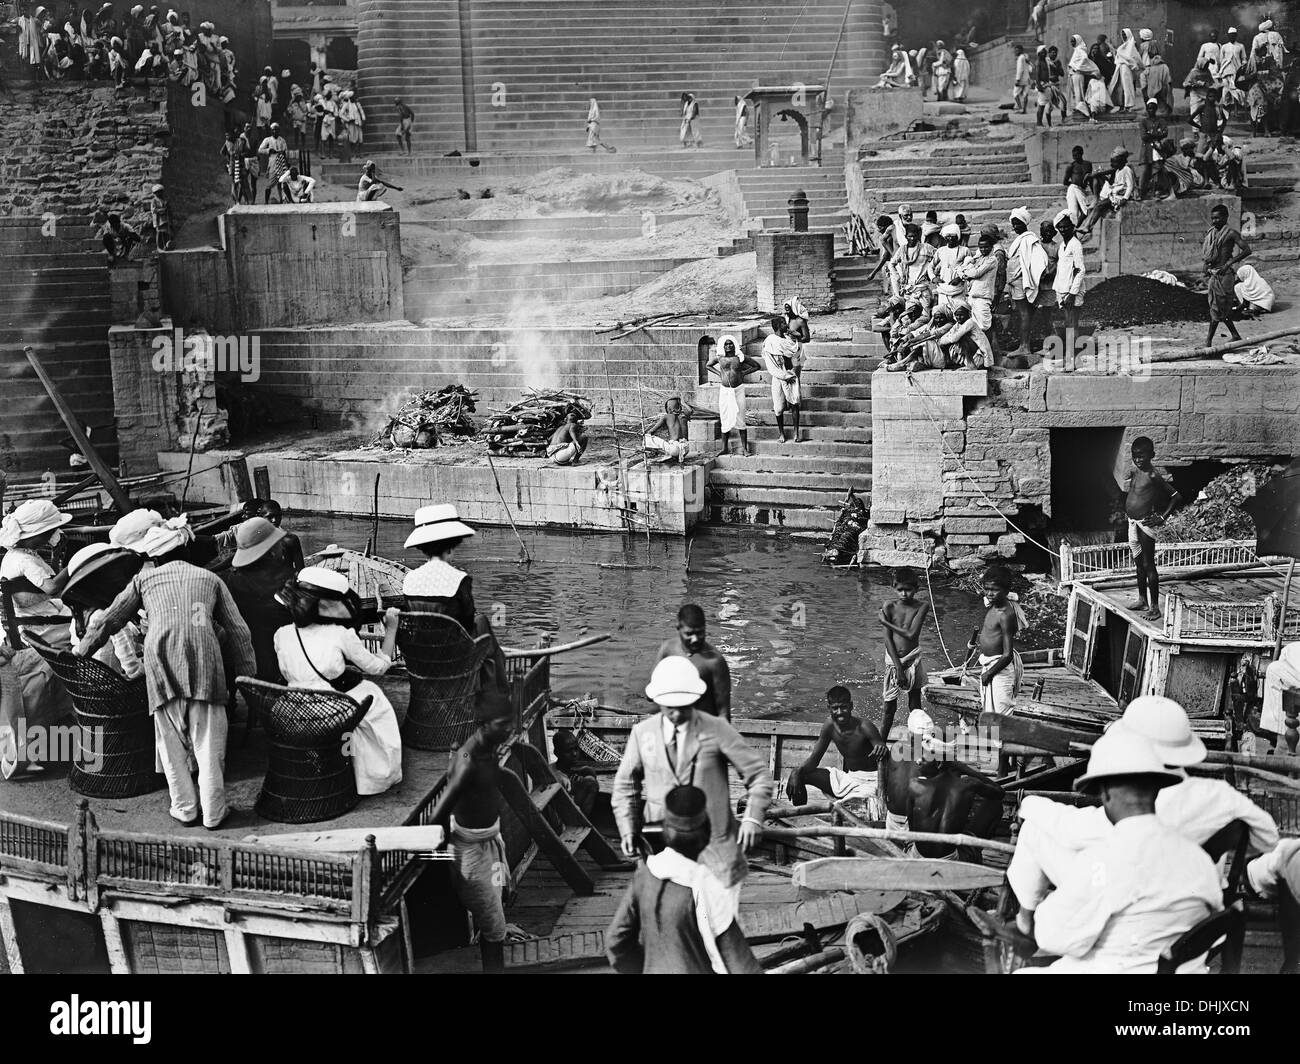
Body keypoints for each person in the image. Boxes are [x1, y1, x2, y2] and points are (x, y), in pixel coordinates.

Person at [1008, 696, 1278, 932]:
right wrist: (1213, 848)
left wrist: (1031, 804)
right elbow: (1267, 836)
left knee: (1036, 830)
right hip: (1198, 905)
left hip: (1130, 901)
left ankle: (1025, 922)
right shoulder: (1219, 794)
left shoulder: (1137, 806)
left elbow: (1071, 831)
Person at [74, 517, 255, 830]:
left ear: (152, 557)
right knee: (209, 744)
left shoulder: (143, 581)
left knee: (169, 744)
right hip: (205, 666)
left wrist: (80, 652)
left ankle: (184, 808)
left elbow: (108, 622)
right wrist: (247, 680)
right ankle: (214, 813)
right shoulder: (210, 579)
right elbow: (239, 632)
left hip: (160, 664)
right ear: (185, 548)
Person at [1022, 724, 1224, 973]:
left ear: (1104, 794)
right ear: (1155, 791)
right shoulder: (1199, 859)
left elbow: (1051, 937)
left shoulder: (1101, 860)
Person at [612, 656, 772, 892]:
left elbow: (759, 775)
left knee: (714, 921)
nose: (676, 713)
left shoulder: (717, 729)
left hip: (713, 850)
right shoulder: (642, 734)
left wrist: (752, 818)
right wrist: (628, 829)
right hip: (660, 848)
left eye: (683, 706)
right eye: (669, 707)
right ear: (656, 701)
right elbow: (625, 787)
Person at [273, 567, 403, 796]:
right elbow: (379, 668)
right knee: (374, 695)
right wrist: (391, 629)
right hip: (330, 708)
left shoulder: (282, 633)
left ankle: (338, 758)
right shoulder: (340, 634)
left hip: (294, 706)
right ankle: (375, 775)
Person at [606, 784, 761, 974]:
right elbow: (741, 966)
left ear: (665, 833)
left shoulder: (645, 875)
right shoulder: (708, 888)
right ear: (706, 835)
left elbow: (615, 941)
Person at [428, 689, 516, 972]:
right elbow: (440, 809)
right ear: (485, 723)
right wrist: (436, 855)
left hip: (492, 843)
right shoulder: (467, 760)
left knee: (499, 894)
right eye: (503, 724)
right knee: (494, 926)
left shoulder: (489, 748)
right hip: (471, 852)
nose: (510, 729)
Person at [401, 504, 509, 697]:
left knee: (481, 623)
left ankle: (498, 683)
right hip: (454, 657)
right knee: (482, 622)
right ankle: (500, 688)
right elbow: (467, 624)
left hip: (423, 656)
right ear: (451, 546)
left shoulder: (409, 579)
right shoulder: (458, 579)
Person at [0, 500, 74, 777]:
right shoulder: (27, 560)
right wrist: (77, 563)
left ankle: (62, 737)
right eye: (50, 530)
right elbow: (53, 587)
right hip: (45, 631)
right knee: (97, 630)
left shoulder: (14, 556)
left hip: (29, 624)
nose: (53, 535)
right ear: (36, 534)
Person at [785, 686, 887, 816]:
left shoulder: (865, 726)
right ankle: (800, 816)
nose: (839, 712)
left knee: (844, 808)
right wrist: (796, 771)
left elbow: (883, 751)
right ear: (829, 708)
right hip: (849, 778)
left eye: (843, 707)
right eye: (835, 708)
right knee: (801, 775)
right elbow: (814, 760)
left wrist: (881, 748)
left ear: (851, 706)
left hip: (871, 781)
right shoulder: (829, 726)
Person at [220, 516, 293, 685]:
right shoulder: (288, 581)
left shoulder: (229, 581)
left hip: (245, 665)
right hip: (283, 665)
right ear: (272, 549)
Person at [60, 544, 144, 681]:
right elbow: (132, 669)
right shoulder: (110, 619)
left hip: (88, 682)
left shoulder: (81, 613)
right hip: (115, 689)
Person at [1121, 436, 1180, 620]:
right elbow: (1136, 494)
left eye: (1142, 456)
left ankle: (1155, 607)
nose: (1138, 460)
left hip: (1145, 524)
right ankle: (1142, 599)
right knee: (1138, 564)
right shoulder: (1135, 471)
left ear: (1151, 455)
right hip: (1132, 522)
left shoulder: (1153, 475)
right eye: (1135, 456)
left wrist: (1162, 517)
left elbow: (1177, 496)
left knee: (1148, 565)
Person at [654, 604, 731, 721]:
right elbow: (653, 690)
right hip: (673, 723)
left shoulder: (714, 662)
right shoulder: (667, 649)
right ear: (678, 628)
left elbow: (723, 713)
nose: (695, 639)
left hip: (703, 729)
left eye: (700, 633)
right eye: (689, 634)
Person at [878, 567, 930, 741]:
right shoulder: (889, 606)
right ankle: (880, 744)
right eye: (900, 589)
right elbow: (888, 640)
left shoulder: (922, 606)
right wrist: (898, 668)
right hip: (893, 661)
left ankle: (920, 744)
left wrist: (885, 622)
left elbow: (911, 635)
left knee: (915, 705)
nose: (904, 593)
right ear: (894, 587)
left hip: (913, 660)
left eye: (908, 589)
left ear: (916, 589)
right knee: (889, 707)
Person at [1203, 202, 1252, 346]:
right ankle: (1235, 335)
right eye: (1213, 218)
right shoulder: (1211, 233)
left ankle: (1208, 342)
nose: (1214, 221)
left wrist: (1229, 263)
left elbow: (1247, 250)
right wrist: (1204, 271)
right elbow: (1207, 256)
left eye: (1218, 218)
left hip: (1225, 276)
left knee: (1217, 309)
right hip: (1214, 274)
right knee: (1220, 308)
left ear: (1225, 217)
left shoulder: (1231, 233)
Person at [1005, 206, 1048, 362]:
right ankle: (1026, 344)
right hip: (1016, 283)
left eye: (1017, 223)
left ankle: (1024, 346)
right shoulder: (1022, 238)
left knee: (1024, 314)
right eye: (1013, 223)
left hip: (1022, 283)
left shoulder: (1029, 238)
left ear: (1024, 223)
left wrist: (1031, 276)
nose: (1015, 226)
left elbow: (1040, 259)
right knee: (1025, 314)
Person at [707, 334, 760, 456]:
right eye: (726, 344)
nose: (728, 346)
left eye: (730, 343)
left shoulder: (740, 357)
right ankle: (724, 448)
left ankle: (744, 449)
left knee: (741, 417)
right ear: (723, 346)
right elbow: (708, 365)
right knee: (725, 418)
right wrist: (718, 374)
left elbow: (756, 365)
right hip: (725, 391)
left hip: (738, 390)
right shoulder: (719, 358)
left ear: (734, 345)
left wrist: (744, 373)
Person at [1077, 148, 1135, 238]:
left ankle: (1088, 226)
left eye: (1115, 162)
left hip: (1120, 197)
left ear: (1122, 161)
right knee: (1098, 206)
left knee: (1099, 206)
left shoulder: (1127, 169)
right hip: (1115, 195)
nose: (1113, 165)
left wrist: (1125, 198)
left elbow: (1130, 185)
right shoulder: (1118, 170)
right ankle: (1087, 226)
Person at [761, 316, 802, 444]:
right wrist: (783, 376)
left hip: (791, 374)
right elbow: (770, 365)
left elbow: (796, 352)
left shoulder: (789, 339)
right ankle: (781, 433)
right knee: (778, 408)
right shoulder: (770, 341)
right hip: (778, 376)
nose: (786, 324)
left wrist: (798, 337)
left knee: (795, 403)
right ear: (778, 326)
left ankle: (796, 433)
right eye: (784, 323)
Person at [959, 230, 1000, 347]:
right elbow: (961, 269)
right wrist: (966, 270)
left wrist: (966, 271)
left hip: (983, 297)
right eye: (981, 247)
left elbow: (977, 273)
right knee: (973, 326)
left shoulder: (992, 260)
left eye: (986, 247)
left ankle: (988, 352)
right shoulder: (979, 257)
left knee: (984, 326)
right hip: (972, 296)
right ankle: (978, 352)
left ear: (991, 247)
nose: (983, 250)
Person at [1051, 213, 1085, 341]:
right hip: (1063, 289)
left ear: (1072, 227)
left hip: (1072, 290)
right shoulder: (1062, 246)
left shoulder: (1075, 245)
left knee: (1072, 323)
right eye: (1060, 227)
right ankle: (1071, 349)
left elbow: (1081, 270)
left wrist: (1072, 293)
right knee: (1068, 322)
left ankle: (1072, 352)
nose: (1063, 230)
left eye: (1066, 227)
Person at [930, 222, 970, 315]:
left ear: (958, 236)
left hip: (958, 289)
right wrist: (933, 278)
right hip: (943, 288)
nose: (950, 238)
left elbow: (969, 268)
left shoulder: (965, 250)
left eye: (953, 236)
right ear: (945, 237)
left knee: (959, 314)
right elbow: (930, 266)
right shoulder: (941, 250)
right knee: (943, 314)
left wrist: (960, 278)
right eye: (948, 236)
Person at [643, 396, 694, 462]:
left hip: (674, 449)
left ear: (669, 408)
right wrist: (683, 403)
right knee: (673, 445)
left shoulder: (666, 417)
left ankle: (667, 454)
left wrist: (648, 434)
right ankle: (675, 457)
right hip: (686, 448)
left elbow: (652, 431)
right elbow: (691, 410)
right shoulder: (683, 416)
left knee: (646, 437)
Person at [1136, 99, 1167, 197]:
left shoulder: (1161, 121)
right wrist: (1157, 134)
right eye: (1149, 108)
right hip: (1147, 148)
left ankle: (1158, 190)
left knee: (1157, 169)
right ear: (1147, 109)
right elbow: (1144, 136)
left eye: (1153, 108)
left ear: (1156, 109)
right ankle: (1142, 191)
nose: (1151, 110)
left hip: (1157, 148)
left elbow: (1165, 133)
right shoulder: (1143, 121)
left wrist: (1151, 134)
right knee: (1145, 170)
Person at [1068, 34, 1101, 122]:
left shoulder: (1080, 49)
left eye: (1073, 41)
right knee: (1076, 93)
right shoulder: (1076, 50)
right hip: (1074, 75)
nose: (1072, 43)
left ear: (1078, 41)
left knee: (1079, 93)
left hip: (1078, 75)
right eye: (1071, 41)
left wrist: (1077, 67)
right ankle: (1079, 108)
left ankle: (1083, 110)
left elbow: (1084, 58)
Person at [257, 123, 289, 204]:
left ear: (279, 131)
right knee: (270, 183)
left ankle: (282, 200)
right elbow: (260, 150)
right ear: (271, 131)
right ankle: (266, 201)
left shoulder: (282, 140)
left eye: (276, 129)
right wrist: (268, 150)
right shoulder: (267, 140)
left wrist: (286, 162)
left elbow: (286, 151)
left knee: (281, 182)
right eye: (273, 130)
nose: (275, 131)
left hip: (281, 162)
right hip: (273, 162)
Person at [1061, 144, 1092, 225]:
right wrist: (1075, 183)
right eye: (1073, 155)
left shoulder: (1088, 164)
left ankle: (1076, 228)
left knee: (1086, 211)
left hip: (1082, 190)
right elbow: (1065, 181)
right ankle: (1074, 231)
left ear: (1081, 154)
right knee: (1073, 213)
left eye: (1077, 155)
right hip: (1073, 188)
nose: (1075, 157)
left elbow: (1090, 178)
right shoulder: (1071, 166)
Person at [1219, 26, 1248, 112]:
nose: (1232, 37)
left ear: (1236, 36)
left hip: (1237, 71)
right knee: (1226, 89)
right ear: (1228, 36)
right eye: (1230, 35)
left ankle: (1236, 109)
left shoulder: (1240, 46)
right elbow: (1221, 59)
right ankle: (1225, 110)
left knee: (1236, 89)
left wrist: (1243, 67)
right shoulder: (1224, 47)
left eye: (1233, 35)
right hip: (1226, 71)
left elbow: (1244, 59)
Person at [1112, 29, 1142, 110]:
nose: (1124, 37)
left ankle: (1129, 104)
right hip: (1119, 67)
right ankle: (1121, 104)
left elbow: (1136, 58)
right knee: (1119, 86)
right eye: (1123, 35)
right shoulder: (1123, 46)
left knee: (1127, 86)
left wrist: (1135, 66)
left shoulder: (1131, 46)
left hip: (1126, 68)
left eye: (1125, 35)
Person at [147, 183, 173, 250]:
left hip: (165, 219)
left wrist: (167, 208)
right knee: (160, 233)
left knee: (166, 232)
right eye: (157, 193)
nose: (159, 194)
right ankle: (160, 246)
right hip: (159, 220)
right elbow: (153, 210)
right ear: (154, 193)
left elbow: (169, 208)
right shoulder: (154, 201)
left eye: (160, 192)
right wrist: (161, 210)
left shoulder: (164, 200)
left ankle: (167, 245)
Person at [1012, 44, 1032, 112]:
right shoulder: (1026, 57)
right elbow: (1030, 69)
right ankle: (1024, 109)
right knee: (1025, 94)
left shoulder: (1020, 58)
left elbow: (1020, 70)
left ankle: (1020, 108)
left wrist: (1017, 80)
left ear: (1021, 50)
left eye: (1017, 50)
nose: (1016, 52)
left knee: (1015, 93)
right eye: (1015, 50)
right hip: (1027, 79)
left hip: (1021, 80)